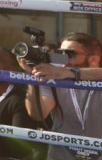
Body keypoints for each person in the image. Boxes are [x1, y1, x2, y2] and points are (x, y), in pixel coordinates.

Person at [20, 32, 102, 160]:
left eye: (69, 54)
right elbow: (38, 114)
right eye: (60, 53)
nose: (63, 59)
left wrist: (66, 72)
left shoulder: (60, 73)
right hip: (61, 155)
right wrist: (33, 79)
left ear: (94, 60)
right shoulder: (54, 78)